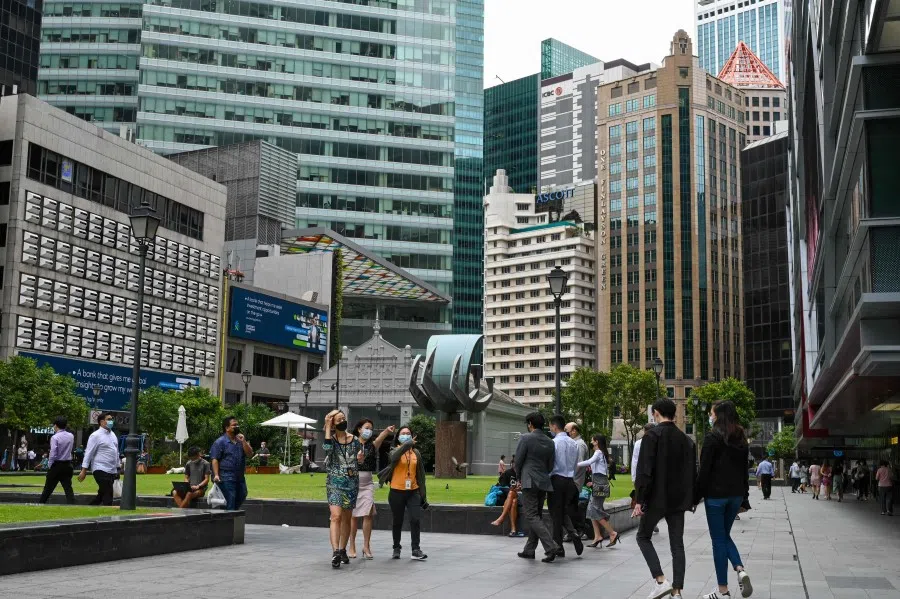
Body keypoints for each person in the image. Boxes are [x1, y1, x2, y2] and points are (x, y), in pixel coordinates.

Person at [633, 399, 696, 599]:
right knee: (677, 544)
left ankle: (660, 580)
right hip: (678, 501)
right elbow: (691, 474)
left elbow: (645, 471)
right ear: (674, 414)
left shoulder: (651, 436)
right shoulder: (686, 440)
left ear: (656, 413)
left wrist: (640, 500)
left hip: (656, 498)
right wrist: (691, 499)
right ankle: (676, 591)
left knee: (643, 536)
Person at [695, 400, 754, 599]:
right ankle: (739, 569)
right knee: (724, 536)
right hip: (735, 496)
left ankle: (723, 590)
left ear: (717, 416)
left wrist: (695, 497)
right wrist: (744, 499)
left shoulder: (712, 438)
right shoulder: (741, 439)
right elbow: (744, 472)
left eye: (712, 413)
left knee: (718, 540)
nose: (710, 416)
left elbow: (704, 472)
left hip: (716, 497)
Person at [512, 411, 558, 562]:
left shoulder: (525, 438)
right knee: (536, 515)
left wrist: (518, 477)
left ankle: (551, 546)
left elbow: (517, 462)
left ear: (530, 424)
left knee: (531, 515)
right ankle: (529, 549)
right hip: (543, 481)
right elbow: (551, 465)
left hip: (529, 481)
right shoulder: (550, 441)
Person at [377, 424, 428, 561]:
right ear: (398, 437)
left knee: (415, 519)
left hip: (413, 491)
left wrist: (423, 495)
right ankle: (396, 548)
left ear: (411, 436)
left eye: (408, 433)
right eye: (403, 433)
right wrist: (407, 445)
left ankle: (415, 549)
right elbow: (394, 459)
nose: (405, 435)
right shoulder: (394, 450)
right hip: (396, 491)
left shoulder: (416, 453)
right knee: (397, 521)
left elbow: (421, 475)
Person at [349, 419, 394, 559]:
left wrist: (387, 430)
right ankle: (351, 546)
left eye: (371, 428)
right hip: (352, 481)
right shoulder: (351, 444)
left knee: (368, 514)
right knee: (353, 516)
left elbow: (381, 437)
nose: (369, 431)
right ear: (359, 429)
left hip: (367, 483)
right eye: (366, 428)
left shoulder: (373, 445)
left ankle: (366, 546)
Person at [323, 410, 363, 567]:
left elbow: (360, 456)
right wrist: (327, 427)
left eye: (344, 418)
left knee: (347, 518)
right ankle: (335, 553)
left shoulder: (355, 440)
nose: (343, 421)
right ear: (333, 424)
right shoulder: (330, 440)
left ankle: (342, 549)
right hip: (334, 483)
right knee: (336, 516)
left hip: (351, 483)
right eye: (339, 420)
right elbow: (326, 448)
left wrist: (360, 457)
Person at [547, 415, 584, 558]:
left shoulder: (554, 442)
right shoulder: (573, 443)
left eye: (550, 426)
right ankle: (573, 533)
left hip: (557, 479)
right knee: (562, 512)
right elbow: (575, 464)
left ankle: (558, 546)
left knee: (555, 514)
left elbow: (551, 464)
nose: (550, 429)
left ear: (554, 426)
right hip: (570, 481)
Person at [578, 433, 621, 549]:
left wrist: (574, 464)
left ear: (596, 441)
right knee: (591, 510)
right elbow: (600, 471)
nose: (591, 442)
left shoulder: (598, 452)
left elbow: (588, 462)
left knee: (593, 510)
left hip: (599, 484)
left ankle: (612, 533)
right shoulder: (602, 453)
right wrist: (594, 482)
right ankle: (597, 536)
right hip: (600, 483)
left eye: (592, 440)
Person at [210, 415, 253, 511]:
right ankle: (229, 518)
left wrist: (244, 441)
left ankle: (231, 513)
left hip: (239, 475)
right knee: (230, 498)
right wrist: (216, 475)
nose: (237, 427)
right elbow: (215, 459)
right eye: (234, 425)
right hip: (226, 475)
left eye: (237, 425)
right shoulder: (220, 442)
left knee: (242, 494)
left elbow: (250, 454)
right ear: (227, 428)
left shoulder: (240, 441)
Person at [78, 412, 120, 505]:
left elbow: (116, 452)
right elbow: (88, 453)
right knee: (108, 492)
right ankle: (108, 513)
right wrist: (84, 470)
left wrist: (118, 467)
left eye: (111, 419)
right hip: (100, 468)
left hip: (111, 469)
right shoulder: (95, 435)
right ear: (101, 422)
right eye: (108, 419)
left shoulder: (113, 434)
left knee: (102, 493)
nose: (111, 421)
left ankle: (91, 506)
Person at [39, 416, 76, 504]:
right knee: (68, 488)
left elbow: (53, 453)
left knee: (48, 488)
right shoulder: (71, 436)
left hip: (57, 464)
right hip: (67, 464)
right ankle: (72, 505)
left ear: (55, 425)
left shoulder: (55, 437)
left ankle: (41, 503)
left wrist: (50, 465)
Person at [632, 423, 659, 534]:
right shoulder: (657, 442)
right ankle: (652, 523)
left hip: (642, 476)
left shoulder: (639, 443)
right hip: (654, 478)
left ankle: (648, 524)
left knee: (642, 500)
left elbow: (635, 461)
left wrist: (634, 478)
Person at [565, 422, 590, 541]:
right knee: (571, 507)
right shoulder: (576, 443)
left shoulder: (579, 444)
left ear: (574, 431)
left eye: (568, 430)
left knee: (571, 507)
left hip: (574, 480)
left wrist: (568, 475)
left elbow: (578, 464)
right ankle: (575, 531)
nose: (566, 433)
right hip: (574, 480)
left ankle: (577, 531)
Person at [491, 464, 523, 537]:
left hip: (522, 497)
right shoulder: (508, 473)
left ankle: (501, 518)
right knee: (513, 501)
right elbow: (501, 486)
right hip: (510, 497)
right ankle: (513, 530)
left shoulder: (524, 473)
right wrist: (511, 488)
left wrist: (520, 488)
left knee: (512, 494)